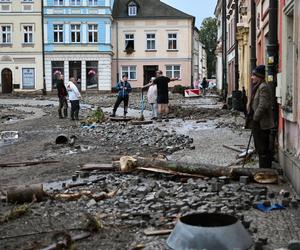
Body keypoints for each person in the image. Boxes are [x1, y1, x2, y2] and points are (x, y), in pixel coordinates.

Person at [248, 65, 274, 168]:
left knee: (263, 147)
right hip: (258, 122)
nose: (252, 77)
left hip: (262, 123)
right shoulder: (258, 87)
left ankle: (265, 170)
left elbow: (263, 105)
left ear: (259, 76)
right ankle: (262, 169)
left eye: (253, 75)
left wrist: (255, 118)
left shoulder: (263, 87)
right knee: (259, 147)